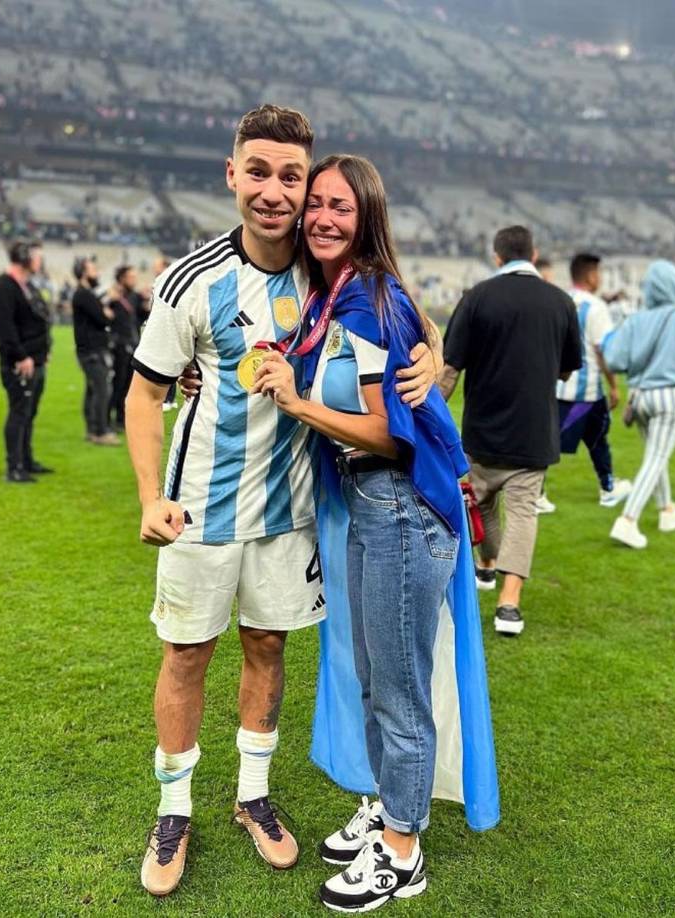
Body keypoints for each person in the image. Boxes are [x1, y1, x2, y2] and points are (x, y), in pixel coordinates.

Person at [123, 106, 436, 898]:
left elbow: (406, 311)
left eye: (290, 176)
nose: (274, 191)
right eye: (257, 171)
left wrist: (435, 359)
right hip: (199, 513)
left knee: (268, 651)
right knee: (187, 655)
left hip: (290, 514)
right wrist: (149, 496)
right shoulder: (190, 281)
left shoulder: (324, 268)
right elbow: (142, 393)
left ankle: (253, 797)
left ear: (305, 186)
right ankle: (173, 811)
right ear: (232, 174)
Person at [253, 153, 498, 913]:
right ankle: (385, 813)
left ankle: (402, 849)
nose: (322, 216)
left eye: (341, 208)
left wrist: (297, 404)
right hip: (373, 507)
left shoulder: (362, 299)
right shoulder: (345, 297)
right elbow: (407, 342)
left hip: (397, 506)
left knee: (396, 691)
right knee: (373, 677)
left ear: (367, 221)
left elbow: (389, 435)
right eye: (315, 203)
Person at [439, 225, 582, 635]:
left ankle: (486, 565)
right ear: (533, 255)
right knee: (522, 514)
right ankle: (509, 603)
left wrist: (425, 418)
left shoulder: (477, 297)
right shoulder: (561, 302)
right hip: (533, 431)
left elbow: (450, 369)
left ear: (497, 256)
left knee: (481, 505)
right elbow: (569, 368)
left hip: (483, 429)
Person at [603, 260, 675, 550]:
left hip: (639, 396)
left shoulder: (634, 321)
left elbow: (614, 360)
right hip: (671, 396)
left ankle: (667, 510)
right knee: (656, 458)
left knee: (656, 456)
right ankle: (627, 520)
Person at [550, 253, 632, 508]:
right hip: (585, 389)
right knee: (559, 440)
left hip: (558, 385)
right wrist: (615, 385)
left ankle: (607, 486)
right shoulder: (596, 307)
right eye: (599, 273)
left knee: (596, 436)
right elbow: (602, 350)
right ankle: (537, 493)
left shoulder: (558, 300)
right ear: (591, 275)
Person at [0, 240, 53, 482]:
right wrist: (20, 356)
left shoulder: (27, 286)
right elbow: (5, 328)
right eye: (37, 257)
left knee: (29, 413)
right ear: (25, 258)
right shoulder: (4, 286)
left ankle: (26, 460)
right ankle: (14, 466)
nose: (40, 261)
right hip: (20, 364)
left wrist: (44, 351)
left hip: (35, 361)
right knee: (19, 412)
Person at [72, 256, 120, 446]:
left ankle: (92, 430)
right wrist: (106, 311)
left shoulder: (86, 294)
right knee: (102, 390)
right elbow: (103, 318)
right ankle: (100, 432)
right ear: (83, 273)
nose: (97, 273)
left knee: (93, 390)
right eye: (93, 269)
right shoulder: (84, 294)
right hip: (92, 351)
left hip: (90, 350)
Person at [107, 264, 148, 432]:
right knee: (117, 383)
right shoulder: (114, 296)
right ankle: (107, 419)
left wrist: (146, 308)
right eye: (130, 277)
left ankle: (121, 419)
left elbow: (140, 317)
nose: (134, 280)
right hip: (118, 345)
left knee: (128, 385)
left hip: (133, 345)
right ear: (122, 278)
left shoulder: (135, 296)